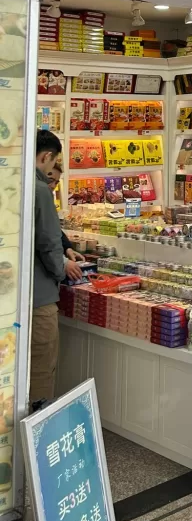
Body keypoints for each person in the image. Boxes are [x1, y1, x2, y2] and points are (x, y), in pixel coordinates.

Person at [31, 131, 80, 406]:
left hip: (14, 295)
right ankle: (35, 438)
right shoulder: (40, 190)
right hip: (39, 298)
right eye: (53, 163)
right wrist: (62, 269)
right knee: (41, 365)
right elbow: (49, 244)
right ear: (47, 156)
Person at [46, 160, 85, 267]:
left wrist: (67, 248)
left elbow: (54, 230)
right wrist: (63, 262)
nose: (53, 186)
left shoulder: (48, 198)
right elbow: (44, 238)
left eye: (56, 182)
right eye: (50, 180)